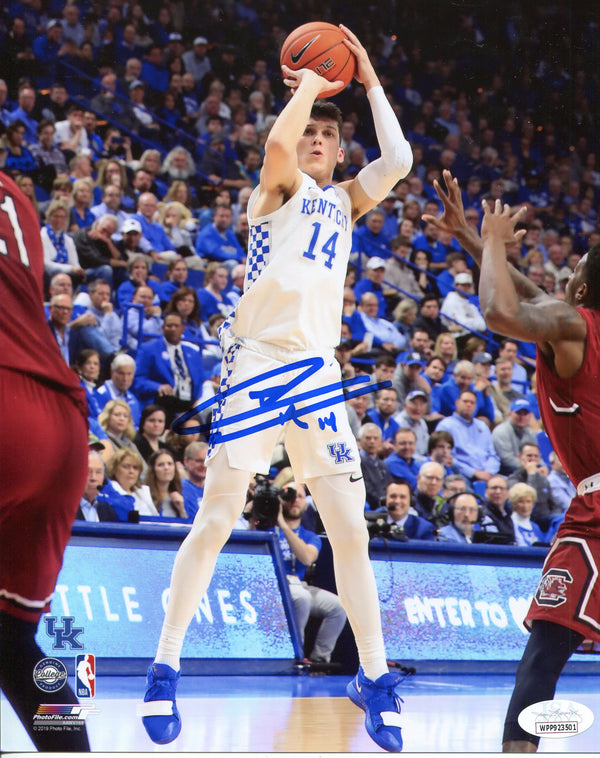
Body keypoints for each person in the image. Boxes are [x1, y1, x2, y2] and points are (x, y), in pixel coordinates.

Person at [140, 27, 413, 752]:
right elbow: (275, 149)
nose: (318, 136)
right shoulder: (278, 185)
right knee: (219, 515)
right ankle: (165, 663)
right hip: (258, 364)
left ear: (340, 147)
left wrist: (371, 77)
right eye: (311, 129)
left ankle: (375, 678)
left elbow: (402, 159)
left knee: (350, 529)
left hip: (317, 370)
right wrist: (311, 89)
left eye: (330, 131)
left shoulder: (347, 201)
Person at [424, 169, 600, 752]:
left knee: (543, 657)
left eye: (569, 273)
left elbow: (502, 311)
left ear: (577, 293)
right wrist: (470, 240)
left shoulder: (574, 325)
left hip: (596, 514)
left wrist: (495, 241)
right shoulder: (573, 320)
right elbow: (531, 294)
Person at [0, 169, 90, 751]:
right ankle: (72, 745)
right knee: (11, 637)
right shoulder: (18, 199)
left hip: (5, 402)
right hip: (61, 420)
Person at [274, 482, 347, 663]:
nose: (294, 500)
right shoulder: (269, 528)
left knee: (339, 606)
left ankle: (320, 660)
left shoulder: (310, 536)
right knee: (302, 598)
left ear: (306, 504)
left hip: (299, 584)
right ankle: (295, 657)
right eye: (289, 495)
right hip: (274, 584)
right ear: (280, 500)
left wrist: (284, 527)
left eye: (299, 496)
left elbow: (307, 558)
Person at [133, 312, 205, 422]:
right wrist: (157, 387)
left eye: (176, 326)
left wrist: (198, 400)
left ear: (182, 328)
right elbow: (138, 380)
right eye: (169, 326)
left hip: (189, 403)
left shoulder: (193, 353)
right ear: (163, 328)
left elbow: (201, 381)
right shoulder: (148, 349)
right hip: (164, 402)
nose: (172, 329)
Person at [436, 389, 500, 483]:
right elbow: (448, 458)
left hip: (488, 475)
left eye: (472, 403)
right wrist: (474, 473)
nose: (468, 405)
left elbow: (492, 455)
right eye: (465, 401)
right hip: (461, 475)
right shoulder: (446, 426)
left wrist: (489, 472)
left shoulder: (482, 426)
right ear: (457, 403)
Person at [506, 442, 562, 532]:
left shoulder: (543, 478)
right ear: (520, 457)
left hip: (548, 520)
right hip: (529, 518)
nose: (533, 459)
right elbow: (527, 499)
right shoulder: (513, 479)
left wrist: (557, 515)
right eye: (529, 456)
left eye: (535, 456)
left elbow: (554, 504)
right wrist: (531, 474)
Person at [491, 398, 537, 475]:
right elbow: (506, 460)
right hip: (505, 474)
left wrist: (542, 466)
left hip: (527, 471)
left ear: (529, 416)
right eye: (518, 413)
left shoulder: (531, 434)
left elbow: (537, 455)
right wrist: (528, 466)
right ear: (510, 414)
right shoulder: (501, 431)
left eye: (525, 414)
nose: (522, 417)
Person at [106, 448, 157, 517]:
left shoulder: (143, 493)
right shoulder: (107, 492)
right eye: (126, 467)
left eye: (135, 468)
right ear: (114, 469)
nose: (131, 471)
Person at [95, 353, 142, 427]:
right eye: (121, 374)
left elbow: (136, 425)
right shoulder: (100, 394)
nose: (125, 379)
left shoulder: (133, 399)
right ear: (112, 372)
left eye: (129, 374)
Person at [76, 450, 119, 522]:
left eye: (98, 472)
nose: (93, 478)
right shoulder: (64, 509)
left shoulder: (109, 512)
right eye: (88, 472)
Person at [357, 423, 392, 510]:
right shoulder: (357, 463)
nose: (372, 441)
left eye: (375, 438)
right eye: (368, 438)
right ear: (359, 440)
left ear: (381, 440)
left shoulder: (383, 465)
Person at [145, 450, 187, 519]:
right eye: (161, 465)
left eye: (170, 464)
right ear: (153, 470)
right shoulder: (146, 495)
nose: (166, 468)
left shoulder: (180, 494)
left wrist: (181, 509)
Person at [507, 483, 545, 547]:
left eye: (528, 501)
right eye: (521, 502)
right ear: (513, 503)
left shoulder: (535, 527)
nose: (525, 506)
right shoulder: (510, 524)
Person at [180, 441, 208, 521]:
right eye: (199, 461)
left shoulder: (216, 490)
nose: (203, 465)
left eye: (206, 461)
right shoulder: (181, 489)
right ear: (186, 462)